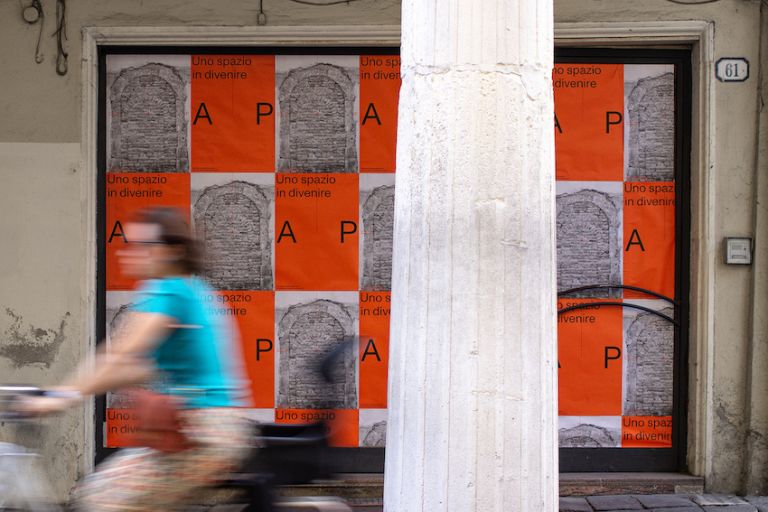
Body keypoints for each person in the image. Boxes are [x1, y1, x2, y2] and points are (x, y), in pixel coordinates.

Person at [24, 207, 251, 511]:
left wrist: (59, 397)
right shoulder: (190, 289)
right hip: (215, 433)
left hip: (201, 434)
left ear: (173, 251)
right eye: (129, 243)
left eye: (144, 246)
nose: (130, 252)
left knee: (101, 495)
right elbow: (137, 369)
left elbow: (120, 355)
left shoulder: (169, 290)